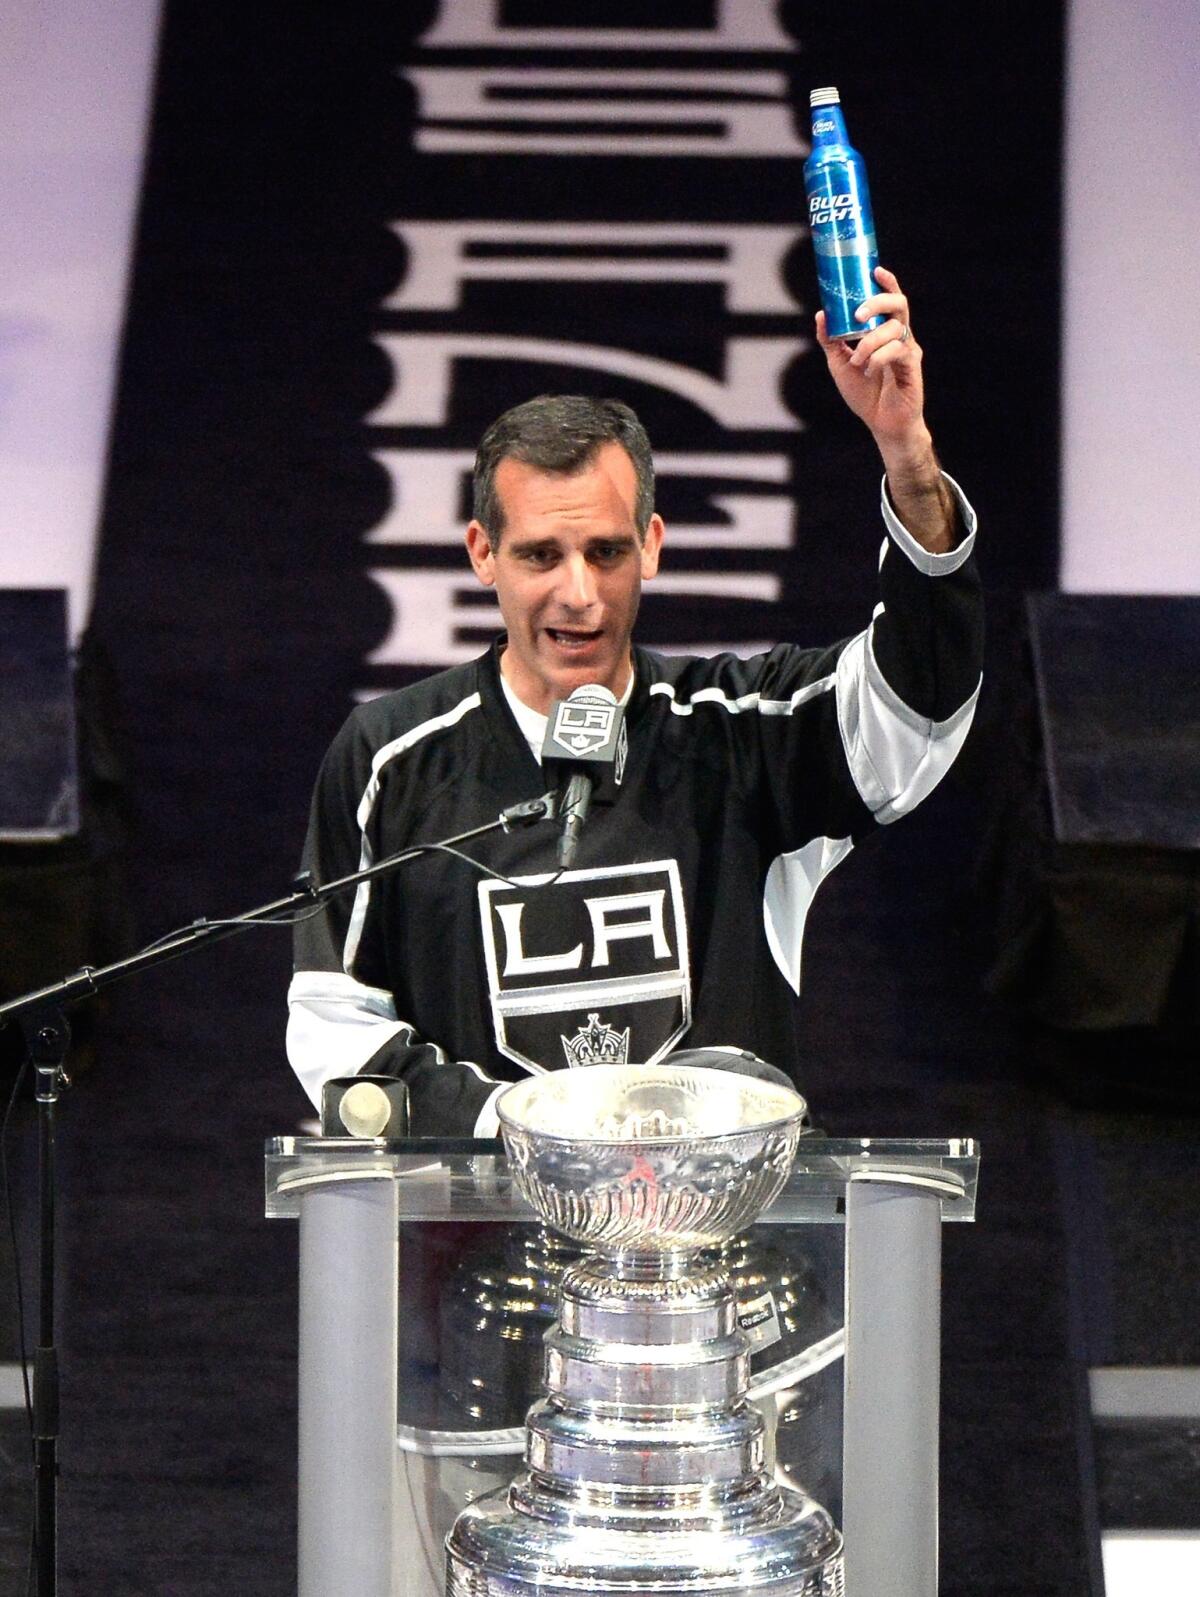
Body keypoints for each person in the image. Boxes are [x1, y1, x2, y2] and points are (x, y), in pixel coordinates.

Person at [287, 270, 982, 1134]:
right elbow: (334, 1027)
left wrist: (907, 455)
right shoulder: (390, 756)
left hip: (718, 1255)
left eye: (606, 552)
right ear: (482, 553)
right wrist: (522, 1126)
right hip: (483, 1248)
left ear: (651, 546)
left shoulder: (742, 736)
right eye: (542, 555)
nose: (579, 594)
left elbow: (921, 706)